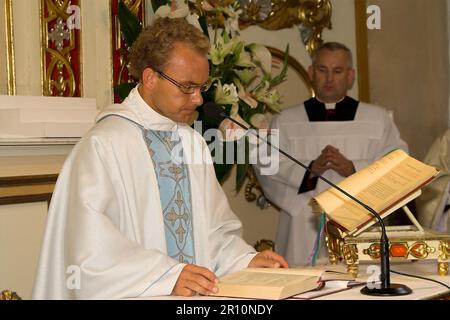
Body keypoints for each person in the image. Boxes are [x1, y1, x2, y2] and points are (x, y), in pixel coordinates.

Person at [32, 17, 288, 300]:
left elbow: (215, 232)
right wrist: (167, 275)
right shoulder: (104, 146)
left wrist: (245, 260)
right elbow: (87, 253)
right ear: (150, 78)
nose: (198, 100)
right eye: (187, 87)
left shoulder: (192, 142)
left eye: (201, 88)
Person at [254, 42, 408, 267]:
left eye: (337, 71)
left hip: (361, 222)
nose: (329, 78)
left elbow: (397, 163)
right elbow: (267, 167)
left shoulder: (377, 118)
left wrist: (353, 168)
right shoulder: (286, 121)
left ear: (350, 76)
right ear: (310, 73)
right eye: (322, 70)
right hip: (303, 227)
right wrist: (309, 170)